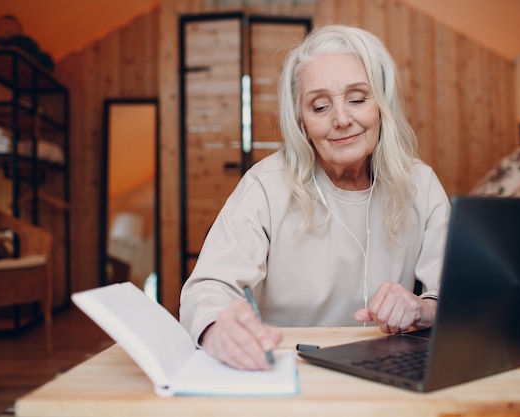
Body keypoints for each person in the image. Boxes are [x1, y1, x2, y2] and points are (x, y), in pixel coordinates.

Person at [179, 25, 450, 371]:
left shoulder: (421, 184)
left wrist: (422, 308)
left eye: (357, 99)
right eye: (319, 106)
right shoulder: (264, 186)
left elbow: (455, 297)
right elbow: (208, 287)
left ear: (382, 105)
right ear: (301, 123)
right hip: (287, 366)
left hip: (389, 369)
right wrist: (218, 328)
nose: (341, 119)